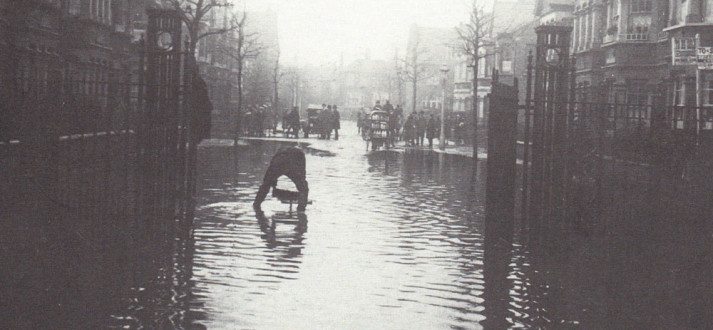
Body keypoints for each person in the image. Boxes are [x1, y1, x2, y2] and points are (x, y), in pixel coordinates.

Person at [253, 147, 309, 212]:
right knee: (304, 189)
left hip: (278, 162)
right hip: (292, 164)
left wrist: (273, 185)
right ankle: (301, 211)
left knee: (265, 185)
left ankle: (256, 206)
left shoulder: (280, 151)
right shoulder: (300, 154)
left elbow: (272, 166)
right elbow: (302, 174)